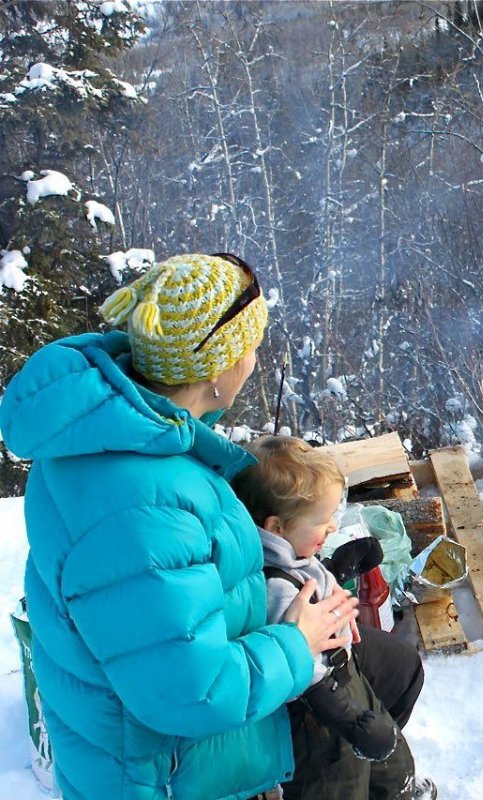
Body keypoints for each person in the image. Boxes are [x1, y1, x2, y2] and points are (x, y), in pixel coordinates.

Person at [0, 253, 357, 799]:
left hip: (154, 758)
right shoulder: (142, 507)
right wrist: (296, 640)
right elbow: (193, 691)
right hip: (162, 779)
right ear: (215, 369)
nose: (256, 361)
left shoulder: (113, 433)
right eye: (250, 348)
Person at [230, 435, 434, 800]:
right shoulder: (275, 589)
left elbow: (306, 576)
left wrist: (337, 569)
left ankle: (400, 791)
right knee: (339, 783)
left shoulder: (288, 552)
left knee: (389, 756)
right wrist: (351, 722)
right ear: (276, 528)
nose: (332, 529)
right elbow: (304, 670)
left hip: (348, 676)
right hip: (319, 719)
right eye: (321, 522)